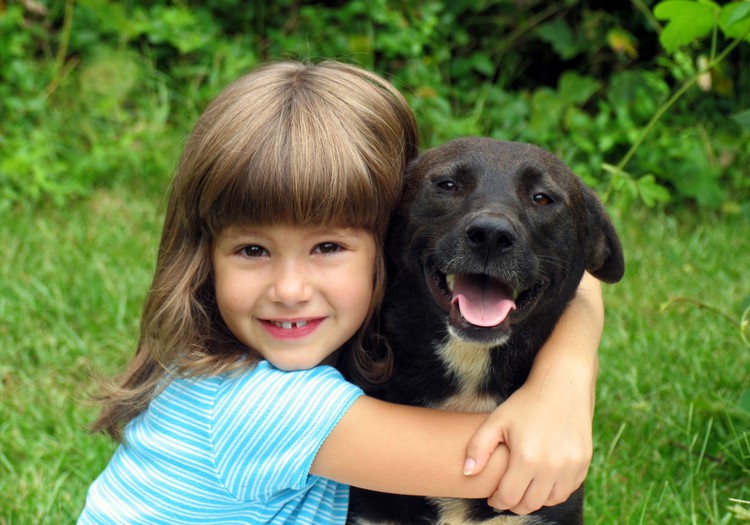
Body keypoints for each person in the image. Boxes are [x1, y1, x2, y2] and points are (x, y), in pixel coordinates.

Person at [78, 60, 604, 524]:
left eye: (327, 246)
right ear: (201, 259)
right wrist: (562, 392)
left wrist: (569, 364)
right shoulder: (264, 405)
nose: (289, 289)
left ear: (385, 239)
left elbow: (581, 277)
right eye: (253, 251)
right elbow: (526, 460)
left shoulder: (318, 359)